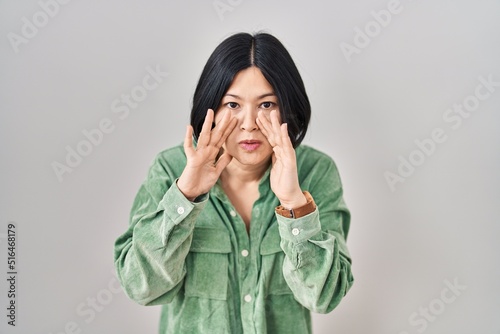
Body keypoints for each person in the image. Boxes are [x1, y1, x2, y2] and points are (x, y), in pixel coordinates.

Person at [114, 32, 353, 334]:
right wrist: (185, 196)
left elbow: (324, 297)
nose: (250, 123)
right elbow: (141, 287)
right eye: (233, 105)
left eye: (267, 105)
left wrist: (295, 204)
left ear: (288, 109)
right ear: (210, 108)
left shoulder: (316, 171)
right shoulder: (170, 168)